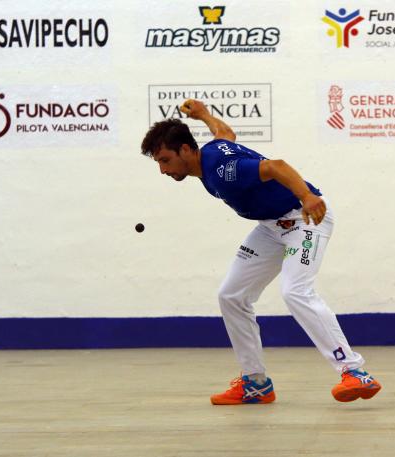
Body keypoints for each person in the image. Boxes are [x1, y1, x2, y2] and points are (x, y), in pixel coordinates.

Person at [140, 99, 382, 404]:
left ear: (186, 150)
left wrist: (307, 197)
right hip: (270, 227)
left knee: (295, 291)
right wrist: (203, 115)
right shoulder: (212, 152)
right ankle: (255, 383)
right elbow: (225, 132)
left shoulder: (224, 170)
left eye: (164, 160)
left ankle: (355, 372)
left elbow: (276, 167)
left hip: (304, 219)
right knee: (231, 295)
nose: (162, 169)